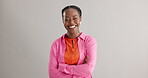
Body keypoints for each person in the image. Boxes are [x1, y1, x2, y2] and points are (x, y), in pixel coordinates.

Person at [48, 5, 97, 78]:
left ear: (80, 19)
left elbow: (88, 69)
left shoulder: (89, 41)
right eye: (67, 19)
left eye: (75, 18)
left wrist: (62, 67)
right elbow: (52, 74)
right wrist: (80, 70)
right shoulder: (56, 44)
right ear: (63, 21)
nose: (71, 22)